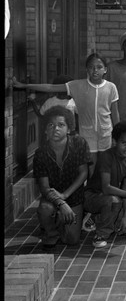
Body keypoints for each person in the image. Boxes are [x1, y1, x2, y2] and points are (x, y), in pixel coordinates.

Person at [12, 53, 119, 171]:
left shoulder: (111, 87)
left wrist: (117, 135)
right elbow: (50, 88)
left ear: (105, 70)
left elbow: (115, 114)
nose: (95, 70)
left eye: (99, 67)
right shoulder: (77, 85)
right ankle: (92, 189)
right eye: (91, 67)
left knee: (105, 167)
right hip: (87, 134)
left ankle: (104, 189)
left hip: (106, 133)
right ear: (86, 69)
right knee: (91, 168)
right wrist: (25, 85)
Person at [33, 106, 91, 249]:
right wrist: (61, 203)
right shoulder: (40, 154)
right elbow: (44, 187)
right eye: (51, 125)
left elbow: (84, 173)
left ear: (69, 128)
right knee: (45, 208)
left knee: (72, 240)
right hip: (52, 197)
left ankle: (59, 220)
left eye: (61, 125)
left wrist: (65, 195)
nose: (56, 129)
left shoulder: (79, 144)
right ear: (45, 129)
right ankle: (51, 233)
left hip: (74, 195)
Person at [84, 121, 126, 248]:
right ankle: (100, 235)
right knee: (114, 201)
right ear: (114, 142)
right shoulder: (106, 156)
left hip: (114, 198)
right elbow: (106, 188)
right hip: (93, 197)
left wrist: (124, 217)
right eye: (124, 143)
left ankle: (100, 218)